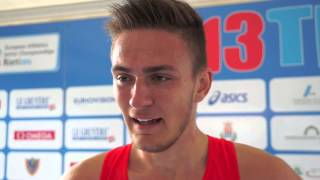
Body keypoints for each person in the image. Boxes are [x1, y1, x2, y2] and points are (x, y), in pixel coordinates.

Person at [61, 0, 301, 179]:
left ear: (202, 85)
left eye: (160, 77)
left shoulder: (265, 175)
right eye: (124, 77)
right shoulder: (84, 177)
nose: (137, 99)